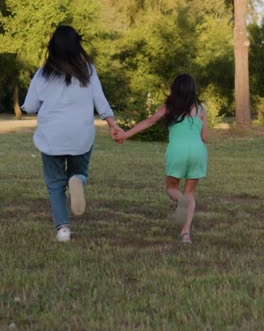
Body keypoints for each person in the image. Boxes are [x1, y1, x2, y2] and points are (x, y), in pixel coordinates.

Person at [22, 24, 121, 242]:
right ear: (78, 45)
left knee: (55, 183)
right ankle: (77, 179)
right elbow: (100, 102)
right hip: (81, 135)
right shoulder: (88, 70)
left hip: (52, 136)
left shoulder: (43, 74)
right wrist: (112, 124)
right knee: (79, 171)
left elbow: (29, 106)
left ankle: (63, 230)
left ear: (53, 47)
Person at [113, 74, 208, 244]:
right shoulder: (201, 109)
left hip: (177, 150)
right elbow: (205, 137)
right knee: (190, 192)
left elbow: (149, 122)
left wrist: (125, 134)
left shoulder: (170, 106)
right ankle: (185, 233)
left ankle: (181, 201)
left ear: (175, 89)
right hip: (198, 152)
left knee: (172, 188)